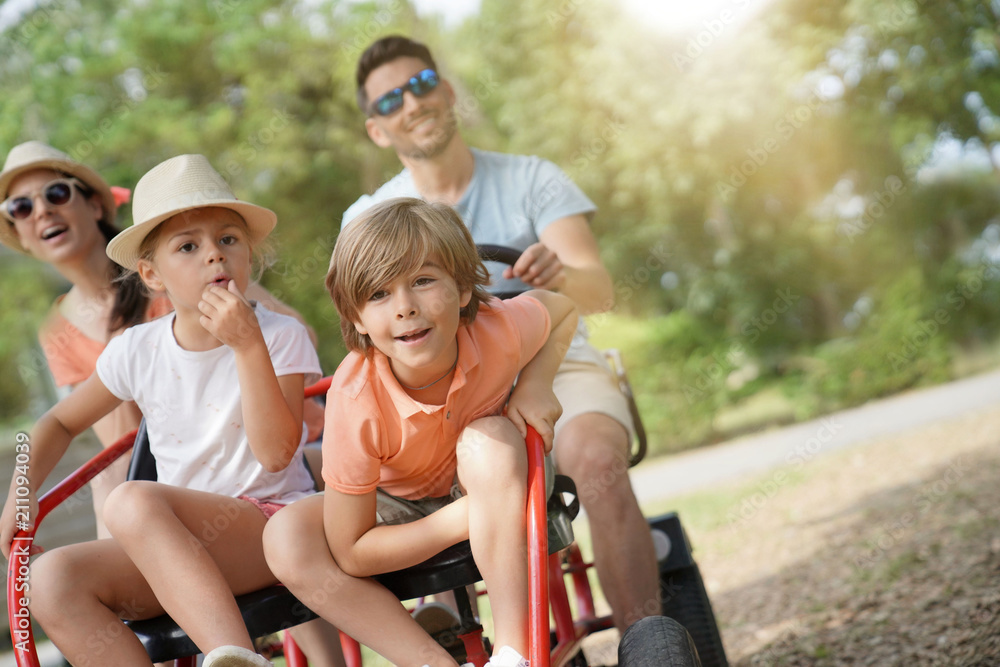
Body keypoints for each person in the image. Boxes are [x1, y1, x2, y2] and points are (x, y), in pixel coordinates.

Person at [341, 35, 661, 633]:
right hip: (441, 385)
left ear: (447, 91)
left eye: (421, 85)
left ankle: (646, 644)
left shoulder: (531, 178)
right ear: (377, 130)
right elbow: (371, 335)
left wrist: (562, 275)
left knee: (596, 461)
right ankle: (458, 622)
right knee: (422, 479)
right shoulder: (366, 218)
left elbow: (597, 292)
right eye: (390, 101)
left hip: (552, 357)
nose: (411, 103)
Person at [0, 142, 344, 666]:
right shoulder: (135, 349)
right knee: (50, 580)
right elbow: (57, 422)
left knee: (131, 501)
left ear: (248, 255)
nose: (214, 254)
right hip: (178, 545)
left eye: (228, 239)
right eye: (188, 246)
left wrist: (246, 345)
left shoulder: (276, 335)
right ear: (152, 275)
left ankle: (234, 657)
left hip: (272, 529)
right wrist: (18, 498)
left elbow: (277, 456)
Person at [263, 197, 579, 667]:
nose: (405, 308)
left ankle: (514, 654)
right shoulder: (356, 399)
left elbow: (564, 309)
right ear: (356, 317)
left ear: (463, 288)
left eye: (423, 281)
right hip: (404, 507)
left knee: (489, 439)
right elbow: (352, 551)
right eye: (379, 294)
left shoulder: (500, 329)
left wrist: (535, 384)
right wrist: (466, 516)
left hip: (500, 475)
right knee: (285, 536)